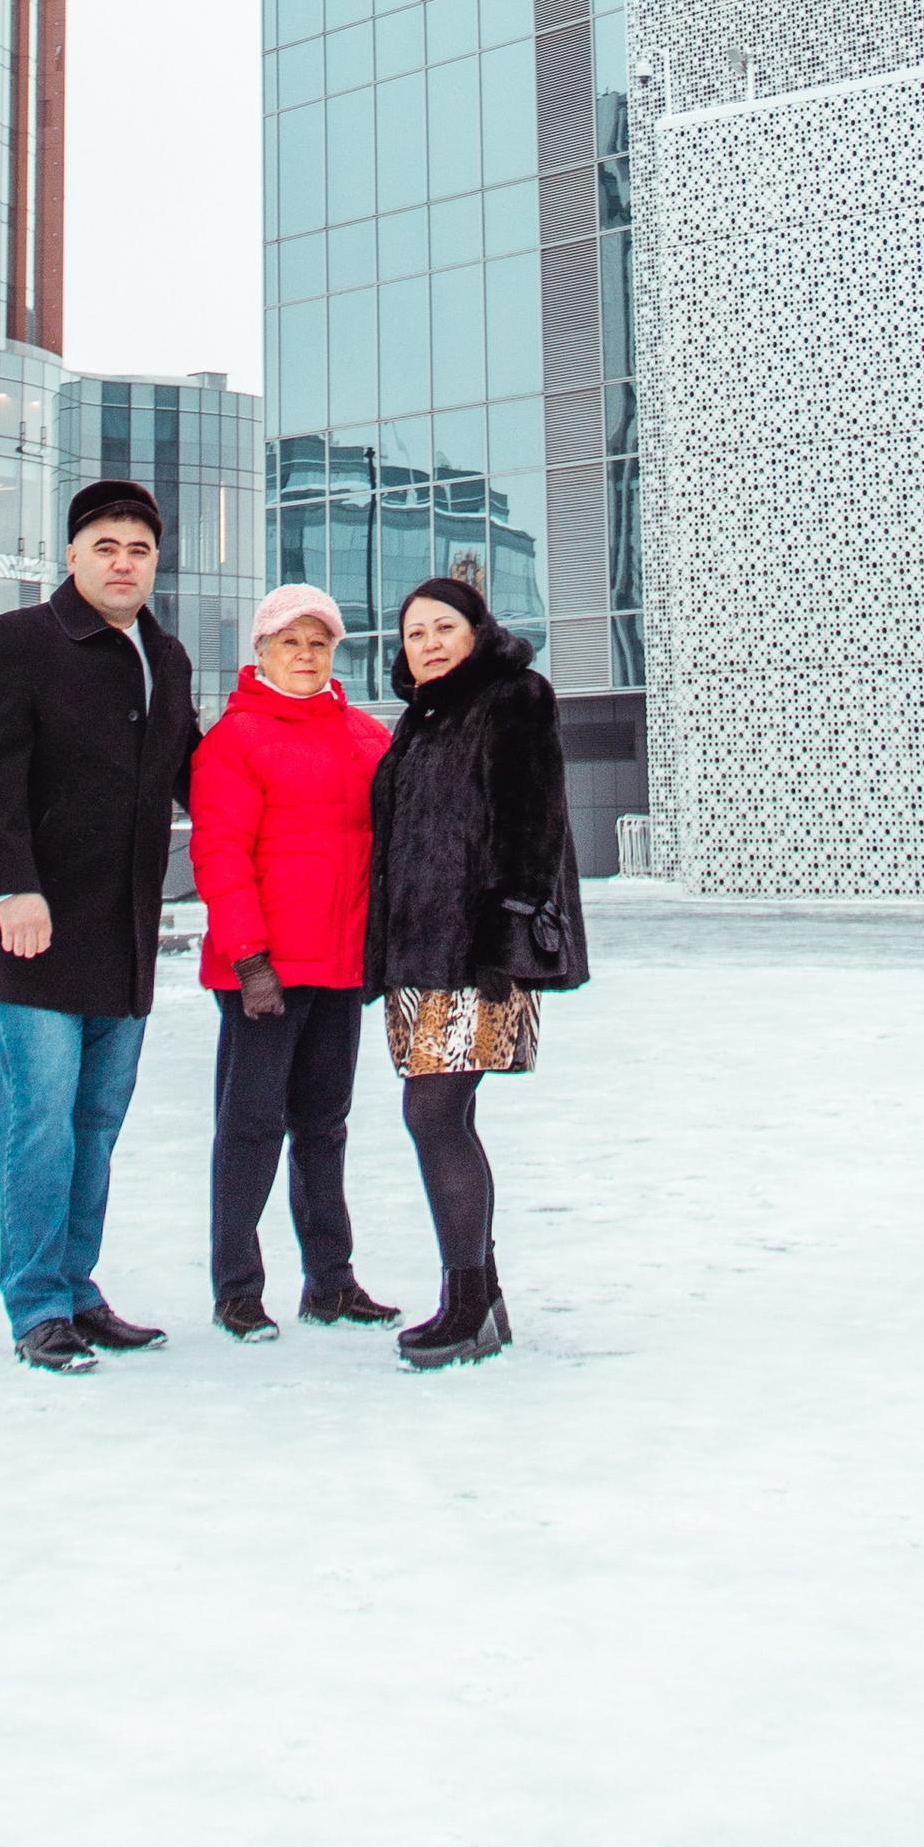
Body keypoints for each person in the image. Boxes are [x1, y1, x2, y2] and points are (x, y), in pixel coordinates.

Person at [0, 480, 201, 1373]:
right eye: (105, 547)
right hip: (37, 928)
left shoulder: (166, 657)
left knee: (96, 1121)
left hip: (127, 935)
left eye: (138, 550)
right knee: (38, 1122)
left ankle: (77, 1287)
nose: (123, 563)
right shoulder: (21, 640)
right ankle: (36, 1305)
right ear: (71, 557)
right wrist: (8, 888)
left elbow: (198, 774)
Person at [363, 573, 589, 1371]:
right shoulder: (417, 725)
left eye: (441, 628)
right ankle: (480, 1300)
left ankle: (466, 1304)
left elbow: (536, 824)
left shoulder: (514, 697)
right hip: (418, 960)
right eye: (412, 632)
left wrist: (506, 936)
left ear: (475, 632)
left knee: (433, 1115)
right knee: (438, 1118)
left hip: (481, 959)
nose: (426, 642)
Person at [188, 582, 398, 1343]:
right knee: (249, 1129)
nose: (305, 655)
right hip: (264, 975)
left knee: (325, 1129)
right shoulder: (234, 740)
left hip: (340, 969)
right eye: (290, 642)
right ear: (262, 651)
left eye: (319, 643)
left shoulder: (367, 736)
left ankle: (331, 1284)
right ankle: (237, 1288)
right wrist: (249, 960)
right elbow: (219, 854)